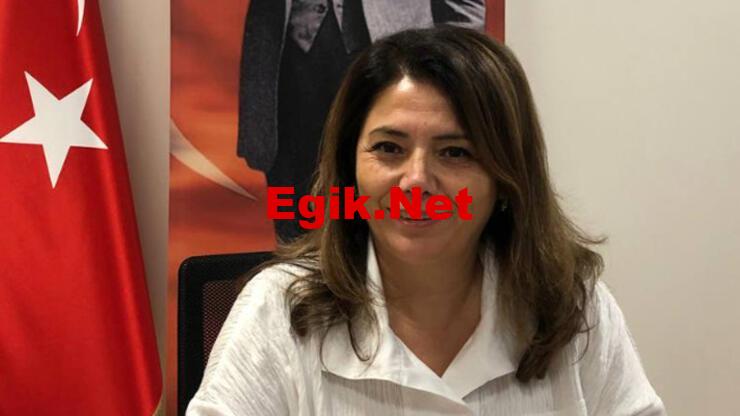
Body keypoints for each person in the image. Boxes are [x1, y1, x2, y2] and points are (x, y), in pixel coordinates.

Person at [189, 27, 666, 415]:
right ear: (351, 169)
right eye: (388, 148)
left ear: (506, 179)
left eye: (455, 152)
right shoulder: (278, 308)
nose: (416, 181)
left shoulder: (573, 307)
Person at [237, 0, 485, 240]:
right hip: (288, 64)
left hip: (396, 65)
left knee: (387, 218)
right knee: (298, 227)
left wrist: (451, 65)